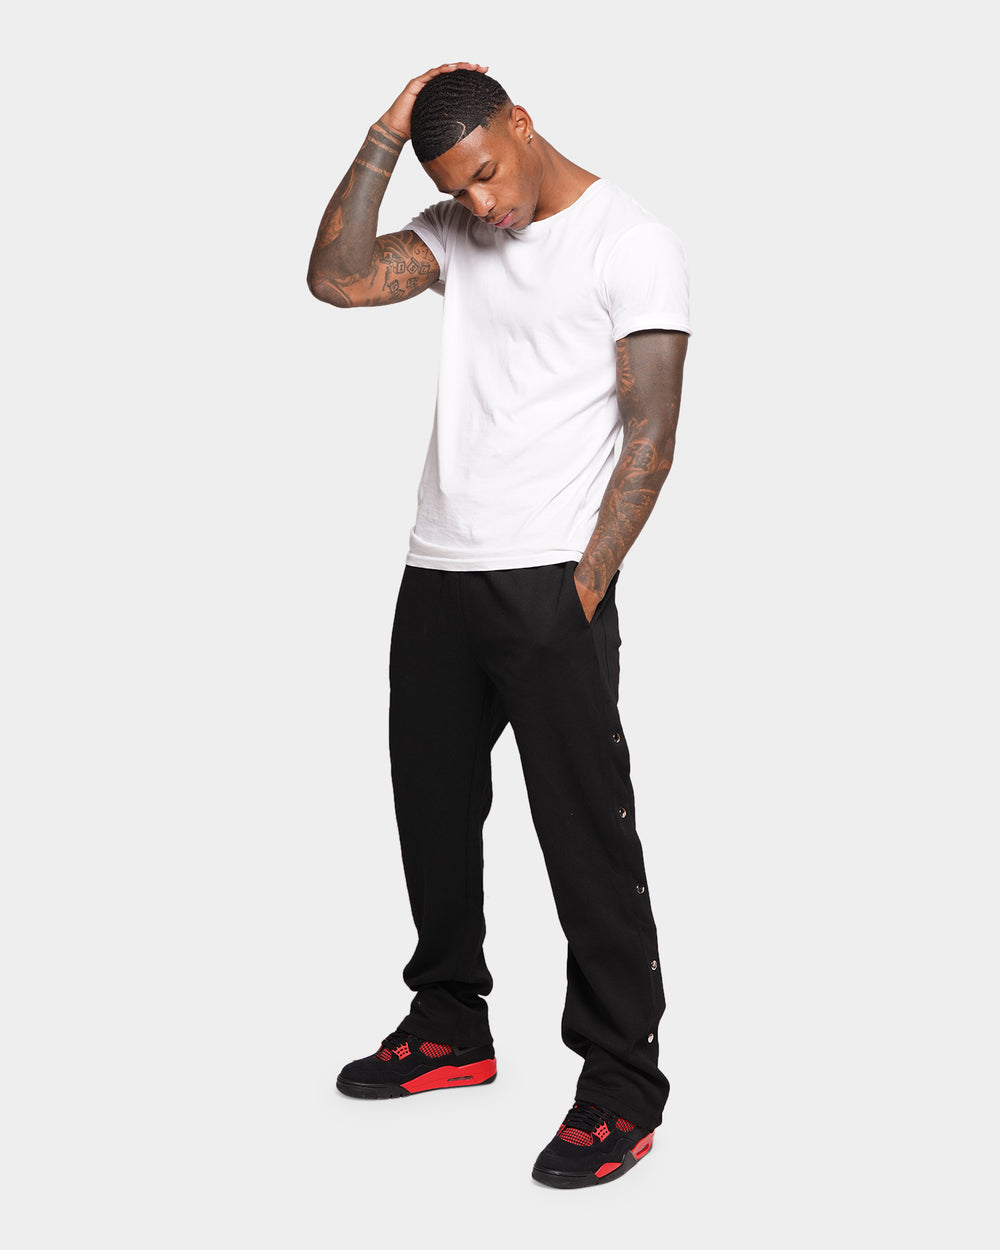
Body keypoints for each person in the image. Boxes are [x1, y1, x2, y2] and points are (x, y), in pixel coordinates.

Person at [307, 62, 690, 1189]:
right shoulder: (456, 231)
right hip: (440, 568)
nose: (481, 204)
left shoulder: (631, 241)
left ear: (521, 124)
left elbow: (652, 436)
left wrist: (585, 586)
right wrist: (384, 134)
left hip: (550, 582)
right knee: (430, 809)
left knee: (584, 833)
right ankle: (449, 1023)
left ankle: (621, 1084)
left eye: (484, 174)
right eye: (455, 189)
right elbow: (335, 277)